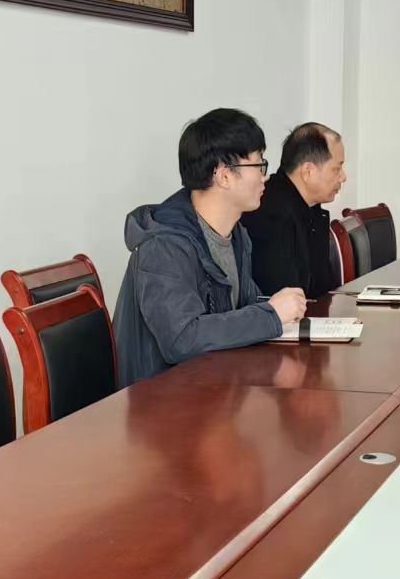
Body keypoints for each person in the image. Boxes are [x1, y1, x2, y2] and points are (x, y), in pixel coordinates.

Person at [113, 108, 307, 386]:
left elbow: (244, 305)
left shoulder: (236, 234)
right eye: (258, 164)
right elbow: (181, 339)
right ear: (224, 175)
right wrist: (272, 315)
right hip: (160, 399)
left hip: (213, 386)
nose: (265, 177)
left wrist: (278, 309)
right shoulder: (164, 245)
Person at [241, 122, 346, 298]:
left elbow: (323, 288)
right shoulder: (271, 215)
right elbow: (283, 297)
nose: (343, 177)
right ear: (308, 171)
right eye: (337, 168)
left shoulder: (310, 209)